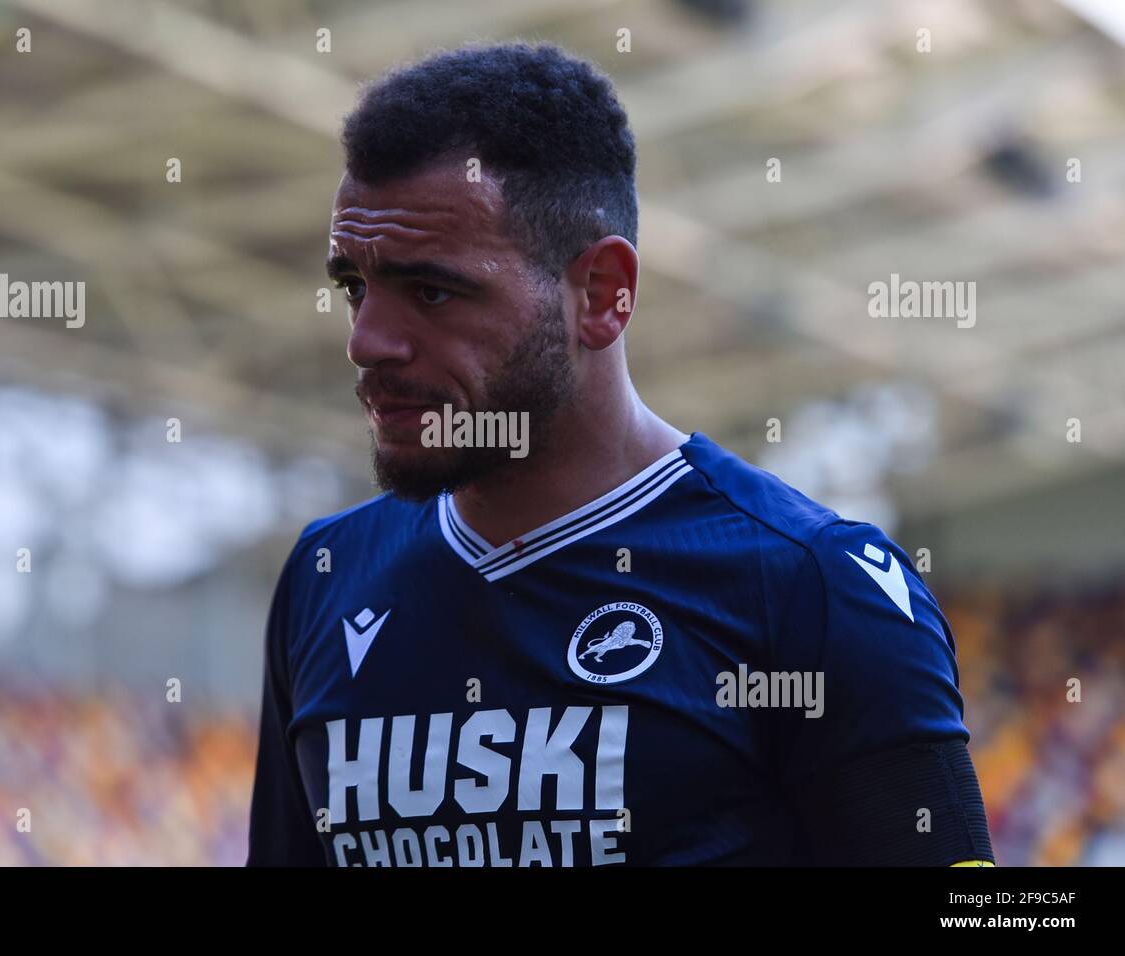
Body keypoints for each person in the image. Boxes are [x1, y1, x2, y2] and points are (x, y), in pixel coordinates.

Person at [247, 42, 992, 867]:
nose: (367, 341)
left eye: (432, 291)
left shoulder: (812, 588)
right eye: (354, 285)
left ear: (601, 293)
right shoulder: (325, 575)